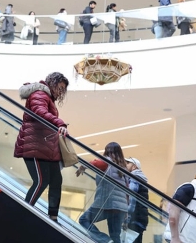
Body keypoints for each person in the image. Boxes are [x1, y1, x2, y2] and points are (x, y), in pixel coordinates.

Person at [14, 72, 69, 222]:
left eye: (63, 89)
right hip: (34, 146)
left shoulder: (47, 97)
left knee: (56, 180)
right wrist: (60, 123)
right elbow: (40, 112)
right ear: (52, 82)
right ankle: (24, 214)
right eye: (60, 87)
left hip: (45, 148)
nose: (61, 91)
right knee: (41, 180)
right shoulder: (40, 93)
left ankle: (53, 216)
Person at [76, 142, 129, 243]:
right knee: (115, 235)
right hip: (121, 207)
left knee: (84, 220)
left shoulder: (106, 162)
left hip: (106, 203)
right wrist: (126, 210)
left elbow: (93, 163)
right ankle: (109, 241)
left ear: (107, 151)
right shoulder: (124, 168)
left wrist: (82, 167)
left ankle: (105, 240)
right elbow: (127, 190)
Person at [123, 157, 149, 243]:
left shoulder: (134, 178)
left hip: (135, 218)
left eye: (127, 163)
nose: (125, 165)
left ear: (134, 167)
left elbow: (131, 199)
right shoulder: (141, 179)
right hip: (141, 218)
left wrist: (127, 217)